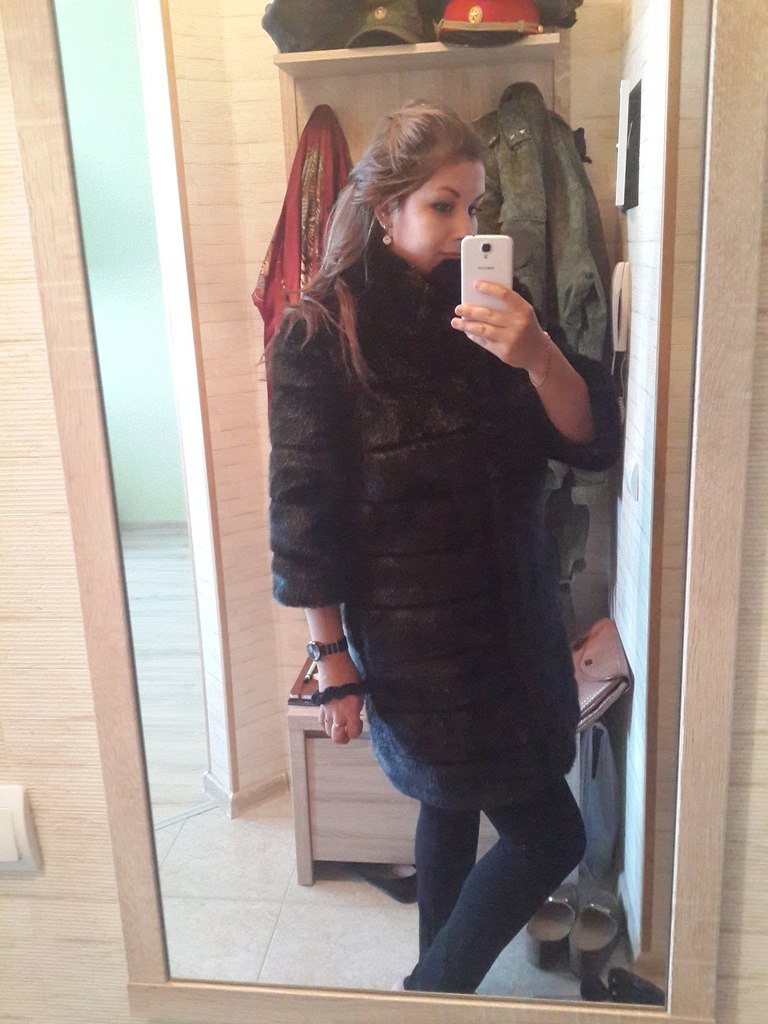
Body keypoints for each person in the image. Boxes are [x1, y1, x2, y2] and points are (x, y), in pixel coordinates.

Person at [267, 101, 621, 994]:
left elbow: (589, 441)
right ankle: (429, 997)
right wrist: (333, 662)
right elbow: (305, 517)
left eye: (476, 205)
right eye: (443, 205)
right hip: (421, 647)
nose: (468, 227)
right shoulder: (322, 333)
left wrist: (538, 354)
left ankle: (439, 990)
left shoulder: (499, 309)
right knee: (554, 834)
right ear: (385, 210)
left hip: (518, 619)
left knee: (448, 804)